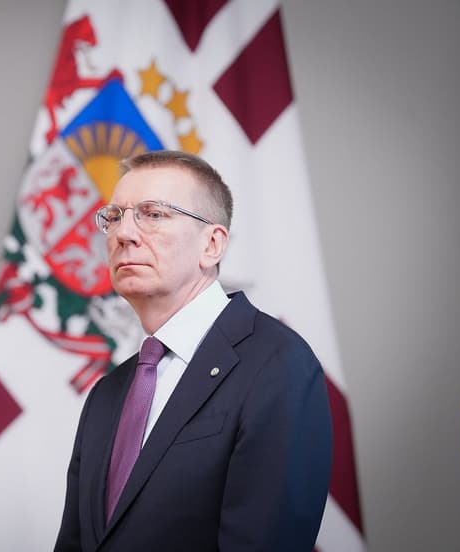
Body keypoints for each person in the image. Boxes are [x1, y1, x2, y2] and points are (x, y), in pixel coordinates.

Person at [53, 150, 332, 551]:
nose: (123, 234)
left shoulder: (277, 365)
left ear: (212, 245)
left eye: (153, 214)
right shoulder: (106, 394)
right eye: (114, 217)